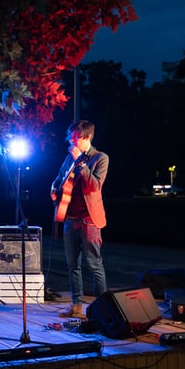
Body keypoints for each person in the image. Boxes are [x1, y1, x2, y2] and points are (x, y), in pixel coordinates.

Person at [50, 120, 109, 318]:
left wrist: (80, 163)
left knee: (94, 265)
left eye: (77, 138)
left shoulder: (100, 158)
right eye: (71, 137)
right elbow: (59, 178)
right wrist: (53, 188)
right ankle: (76, 306)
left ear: (88, 137)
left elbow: (95, 186)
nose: (73, 141)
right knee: (72, 265)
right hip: (70, 218)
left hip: (89, 219)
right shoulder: (69, 158)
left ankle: (103, 309)